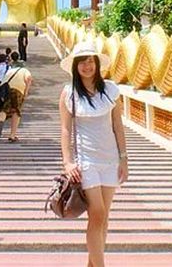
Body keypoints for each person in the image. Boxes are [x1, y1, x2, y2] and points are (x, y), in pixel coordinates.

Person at [59, 42, 128, 267]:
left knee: (104, 218)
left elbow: (118, 125)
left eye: (91, 61)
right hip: (85, 161)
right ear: (76, 66)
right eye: (82, 62)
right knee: (96, 213)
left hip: (109, 160)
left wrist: (123, 158)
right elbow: (66, 129)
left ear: (97, 64)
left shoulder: (110, 90)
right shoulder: (69, 93)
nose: (87, 66)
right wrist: (68, 163)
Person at [0, 51, 32, 142]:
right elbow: (29, 78)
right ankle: (12, 135)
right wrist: (26, 91)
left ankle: (1, 121)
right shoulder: (24, 70)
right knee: (16, 111)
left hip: (5, 90)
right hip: (17, 91)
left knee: (3, 109)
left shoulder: (10, 70)